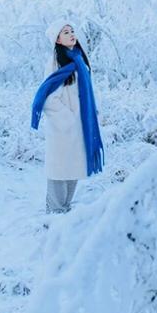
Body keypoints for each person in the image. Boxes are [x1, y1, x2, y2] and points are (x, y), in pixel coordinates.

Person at [31, 20, 104, 213]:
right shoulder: (56, 62)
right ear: (57, 39)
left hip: (80, 127)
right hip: (63, 129)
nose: (72, 34)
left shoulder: (79, 60)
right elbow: (49, 98)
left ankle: (65, 212)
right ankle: (54, 216)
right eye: (65, 32)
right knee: (59, 173)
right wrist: (68, 120)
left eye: (72, 31)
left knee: (73, 170)